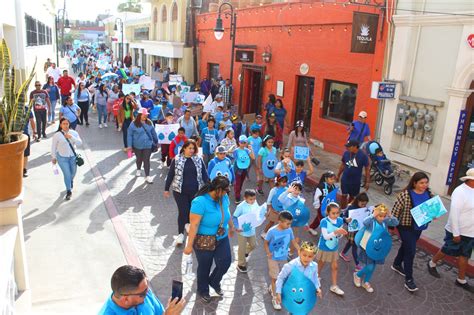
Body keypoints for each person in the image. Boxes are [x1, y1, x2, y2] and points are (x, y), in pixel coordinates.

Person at [184, 176, 235, 303]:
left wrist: (232, 226)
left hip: (221, 237)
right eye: (225, 190)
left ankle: (214, 281)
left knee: (225, 262)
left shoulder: (224, 197)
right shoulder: (200, 202)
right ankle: (203, 289)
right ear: (218, 189)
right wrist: (189, 246)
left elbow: (227, 212)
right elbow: (194, 225)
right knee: (204, 266)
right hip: (204, 240)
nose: (226, 193)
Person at [427, 168, 474, 292]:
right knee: (447, 249)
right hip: (457, 230)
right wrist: (456, 233)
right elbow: (454, 213)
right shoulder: (460, 192)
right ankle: (432, 262)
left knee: (465, 255)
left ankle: (461, 279)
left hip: (471, 232)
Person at [391, 172, 432, 292]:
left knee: (406, 246)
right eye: (421, 183)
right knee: (411, 251)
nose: (424, 185)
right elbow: (395, 212)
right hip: (405, 226)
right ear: (414, 183)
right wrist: (391, 226)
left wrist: (433, 214)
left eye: (426, 182)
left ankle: (397, 264)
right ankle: (409, 280)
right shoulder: (405, 195)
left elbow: (430, 209)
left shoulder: (428, 194)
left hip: (419, 227)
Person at [165, 139, 208, 245]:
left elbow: (204, 175)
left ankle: (191, 230)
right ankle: (180, 235)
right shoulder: (177, 159)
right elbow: (171, 175)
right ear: (184, 148)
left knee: (192, 212)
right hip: (179, 191)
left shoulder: (198, 159)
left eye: (193, 148)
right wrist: (166, 189)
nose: (192, 150)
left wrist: (210, 188)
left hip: (196, 192)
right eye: (189, 148)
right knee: (183, 211)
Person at [98, 265, 185, 315]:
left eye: (147, 286)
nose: (148, 292)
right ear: (126, 299)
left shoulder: (145, 294)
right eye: (143, 293)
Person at [353, 204, 399, 293]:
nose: (382, 218)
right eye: (380, 216)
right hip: (368, 247)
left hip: (379, 247)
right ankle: (357, 275)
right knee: (370, 266)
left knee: (373, 266)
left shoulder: (385, 221)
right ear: (375, 214)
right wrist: (373, 214)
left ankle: (366, 282)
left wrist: (390, 215)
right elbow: (364, 222)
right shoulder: (371, 221)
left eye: (383, 216)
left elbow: (395, 223)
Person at [264, 211, 300, 310]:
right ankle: (275, 298)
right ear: (280, 221)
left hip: (284, 258)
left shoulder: (289, 230)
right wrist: (268, 252)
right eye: (288, 223)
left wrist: (300, 250)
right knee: (275, 278)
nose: (289, 225)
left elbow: (293, 242)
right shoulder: (272, 231)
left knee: (282, 276)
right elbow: (266, 242)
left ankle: (272, 288)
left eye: (290, 223)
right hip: (273, 258)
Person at [275, 241, 322, 308]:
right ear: (299, 252)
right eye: (304, 255)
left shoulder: (314, 266)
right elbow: (280, 278)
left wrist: (317, 287)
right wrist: (278, 292)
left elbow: (315, 277)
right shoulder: (291, 265)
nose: (306, 258)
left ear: (314, 256)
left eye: (310, 256)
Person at [316, 202, 348, 296]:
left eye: (337, 213)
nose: (335, 215)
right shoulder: (324, 221)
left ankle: (334, 286)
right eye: (333, 213)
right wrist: (336, 232)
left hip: (334, 247)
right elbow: (325, 236)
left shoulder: (340, 221)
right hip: (324, 247)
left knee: (335, 267)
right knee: (321, 264)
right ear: (328, 213)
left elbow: (339, 235)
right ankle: (316, 277)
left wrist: (340, 234)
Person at [51, 118, 82, 201]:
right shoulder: (57, 135)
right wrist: (53, 157)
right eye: (63, 124)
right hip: (62, 158)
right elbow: (53, 147)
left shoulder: (74, 133)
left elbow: (80, 143)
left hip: (73, 157)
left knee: (73, 173)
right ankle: (68, 191)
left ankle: (70, 181)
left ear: (69, 124)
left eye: (67, 123)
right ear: (60, 125)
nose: (65, 125)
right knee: (67, 174)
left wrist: (71, 137)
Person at [127, 108, 158, 184]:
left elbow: (153, 133)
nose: (145, 116)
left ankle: (147, 176)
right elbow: (129, 135)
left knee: (146, 159)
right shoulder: (133, 124)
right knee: (139, 158)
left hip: (148, 145)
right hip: (137, 145)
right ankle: (138, 169)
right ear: (139, 115)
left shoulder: (149, 122)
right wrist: (129, 146)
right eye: (143, 115)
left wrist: (156, 141)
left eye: (146, 115)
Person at [339, 192, 369, 270]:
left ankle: (342, 253)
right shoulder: (351, 207)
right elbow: (342, 216)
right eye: (362, 204)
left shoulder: (364, 209)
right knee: (355, 247)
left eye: (365, 204)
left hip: (359, 230)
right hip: (353, 231)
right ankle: (357, 264)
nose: (364, 206)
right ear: (357, 201)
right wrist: (346, 219)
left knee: (350, 242)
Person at [336, 140, 370, 204]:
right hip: (345, 179)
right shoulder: (346, 153)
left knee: (353, 197)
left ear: (355, 147)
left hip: (355, 181)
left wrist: (367, 181)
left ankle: (349, 210)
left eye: (349, 146)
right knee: (344, 195)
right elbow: (343, 165)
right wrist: (338, 175)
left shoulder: (363, 156)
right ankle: (343, 210)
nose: (347, 148)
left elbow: (367, 169)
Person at [233, 189, 258, 273]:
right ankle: (241, 264)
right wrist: (237, 227)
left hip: (251, 230)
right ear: (245, 198)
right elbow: (234, 217)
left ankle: (245, 252)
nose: (253, 201)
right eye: (251, 199)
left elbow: (257, 212)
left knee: (254, 245)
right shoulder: (240, 206)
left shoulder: (255, 203)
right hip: (242, 231)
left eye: (254, 199)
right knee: (241, 248)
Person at [308, 171, 338, 236]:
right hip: (321, 207)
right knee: (323, 220)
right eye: (331, 179)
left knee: (319, 218)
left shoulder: (333, 187)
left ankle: (311, 227)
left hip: (329, 207)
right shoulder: (321, 186)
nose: (333, 181)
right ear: (326, 179)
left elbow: (333, 196)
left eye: (334, 179)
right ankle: (325, 234)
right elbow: (316, 197)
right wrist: (317, 206)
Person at [233, 135, 255, 203]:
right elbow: (230, 153)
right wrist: (233, 147)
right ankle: (237, 197)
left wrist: (251, 149)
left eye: (244, 142)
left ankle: (238, 191)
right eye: (241, 142)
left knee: (241, 182)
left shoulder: (247, 150)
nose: (243, 144)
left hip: (245, 168)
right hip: (238, 168)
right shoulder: (236, 150)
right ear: (239, 142)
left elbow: (253, 157)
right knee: (238, 182)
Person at [22, 107, 36, 177]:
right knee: (25, 154)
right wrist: (34, 131)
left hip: (18, 134)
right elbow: (32, 121)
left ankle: (23, 169)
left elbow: (32, 121)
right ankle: (23, 170)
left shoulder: (11, 106)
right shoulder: (27, 108)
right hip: (25, 134)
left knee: (25, 153)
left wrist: (34, 131)